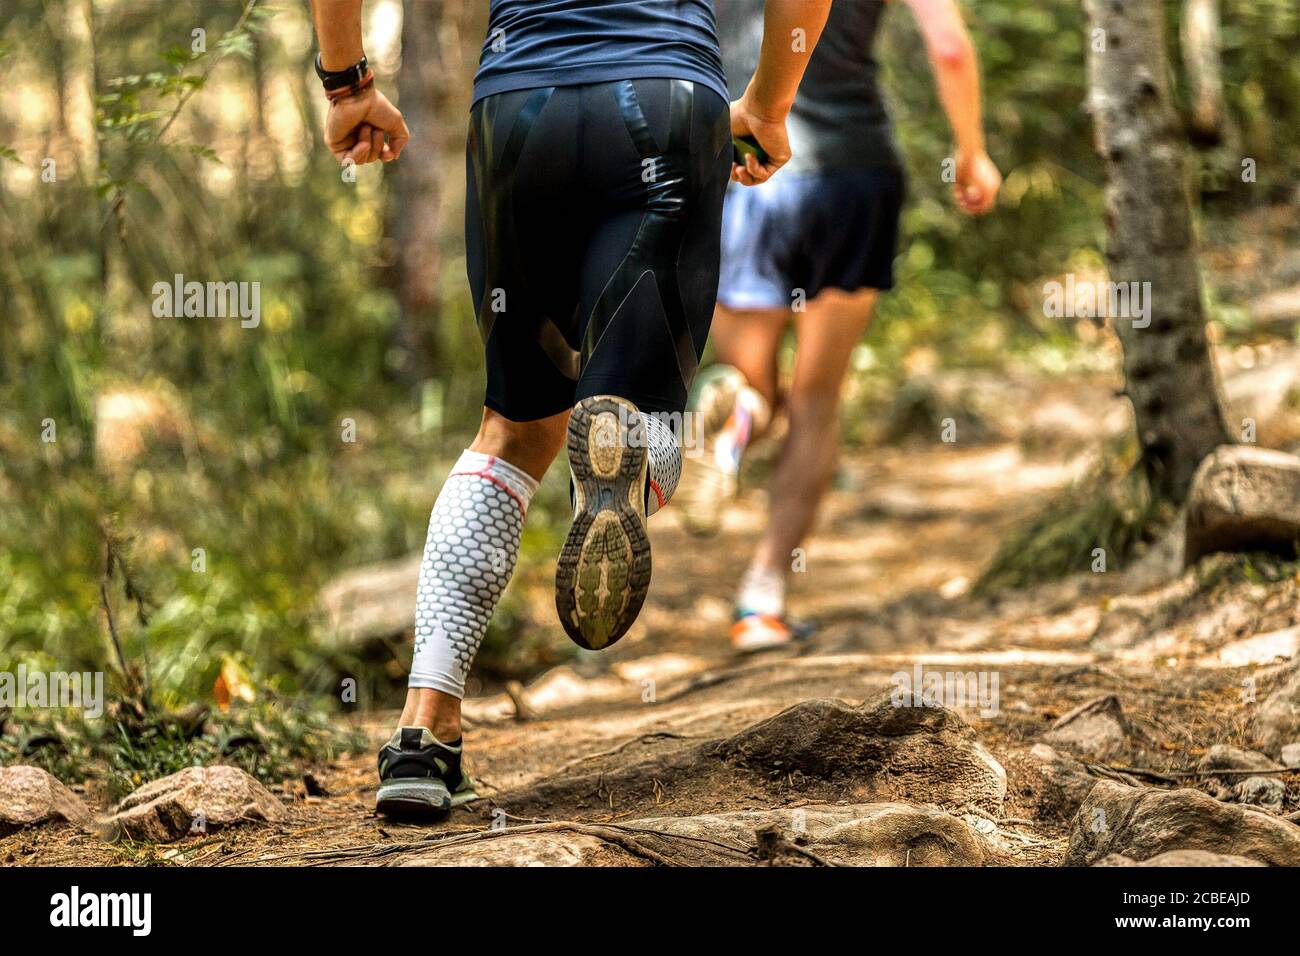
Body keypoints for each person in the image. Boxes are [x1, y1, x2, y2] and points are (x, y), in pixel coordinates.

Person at [308, 0, 832, 817]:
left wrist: (346, 83)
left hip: (521, 108)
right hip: (666, 100)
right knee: (640, 401)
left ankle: (424, 734)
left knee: (512, 431)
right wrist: (767, 102)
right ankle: (625, 438)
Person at [682, 0, 1003, 652]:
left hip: (744, 166)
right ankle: (762, 596)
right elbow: (948, 46)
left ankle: (733, 428)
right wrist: (971, 154)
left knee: (754, 389)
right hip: (853, 171)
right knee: (815, 399)